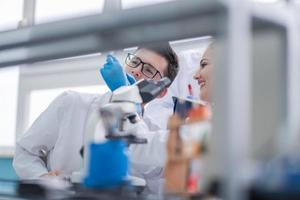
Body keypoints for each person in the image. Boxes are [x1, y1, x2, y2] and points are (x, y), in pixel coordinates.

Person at [13, 42, 179, 180]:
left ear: (161, 91)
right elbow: (25, 151)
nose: (136, 71)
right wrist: (41, 178)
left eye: (149, 71)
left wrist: (126, 101)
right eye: (135, 62)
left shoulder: (151, 136)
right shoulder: (72, 103)